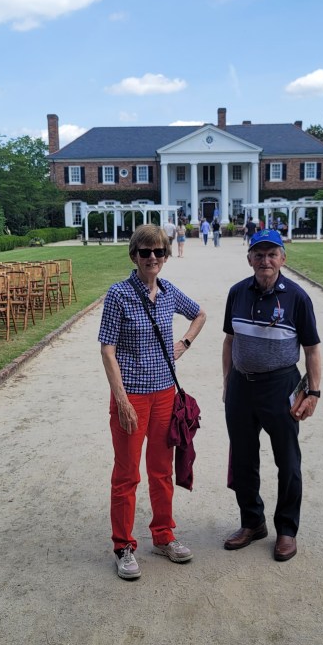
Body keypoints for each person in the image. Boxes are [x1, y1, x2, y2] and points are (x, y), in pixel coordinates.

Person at [99, 224, 207, 580]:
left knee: (161, 471)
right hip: (131, 396)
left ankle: (163, 535)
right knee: (127, 474)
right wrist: (121, 399)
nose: (152, 257)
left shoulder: (169, 292)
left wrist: (184, 344)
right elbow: (108, 350)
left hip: (164, 396)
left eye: (159, 251)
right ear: (134, 255)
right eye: (145, 251)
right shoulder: (118, 294)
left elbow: (200, 314)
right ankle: (123, 545)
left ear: (166, 255)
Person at [221, 228, 321, 562]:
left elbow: (312, 349)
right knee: (243, 458)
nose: (265, 260)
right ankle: (252, 522)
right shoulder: (237, 293)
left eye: (272, 254)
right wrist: (227, 383)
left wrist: (313, 393)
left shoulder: (297, 297)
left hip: (280, 386)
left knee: (288, 461)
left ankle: (287, 530)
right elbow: (229, 340)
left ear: (283, 258)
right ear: (249, 259)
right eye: (259, 254)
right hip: (241, 386)